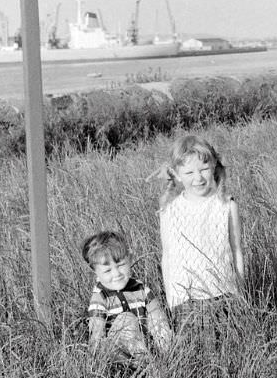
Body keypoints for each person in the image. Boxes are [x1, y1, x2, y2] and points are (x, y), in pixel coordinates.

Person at [158, 134, 245, 334]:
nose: (197, 178)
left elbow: (236, 249)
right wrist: (171, 297)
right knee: (197, 355)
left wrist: (240, 290)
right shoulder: (169, 210)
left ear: (214, 166)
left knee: (228, 351)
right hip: (186, 299)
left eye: (204, 169)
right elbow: (168, 255)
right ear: (177, 174)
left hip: (224, 295)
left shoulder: (226, 205)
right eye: (188, 172)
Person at [82, 231, 172, 361]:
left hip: (144, 345)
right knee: (127, 319)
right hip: (116, 354)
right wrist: (95, 361)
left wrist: (165, 343)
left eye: (121, 265)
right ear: (95, 272)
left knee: (160, 324)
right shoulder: (100, 297)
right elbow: (96, 335)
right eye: (107, 270)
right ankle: (147, 364)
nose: (116, 273)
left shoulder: (141, 288)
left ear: (129, 259)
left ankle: (163, 359)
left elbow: (158, 319)